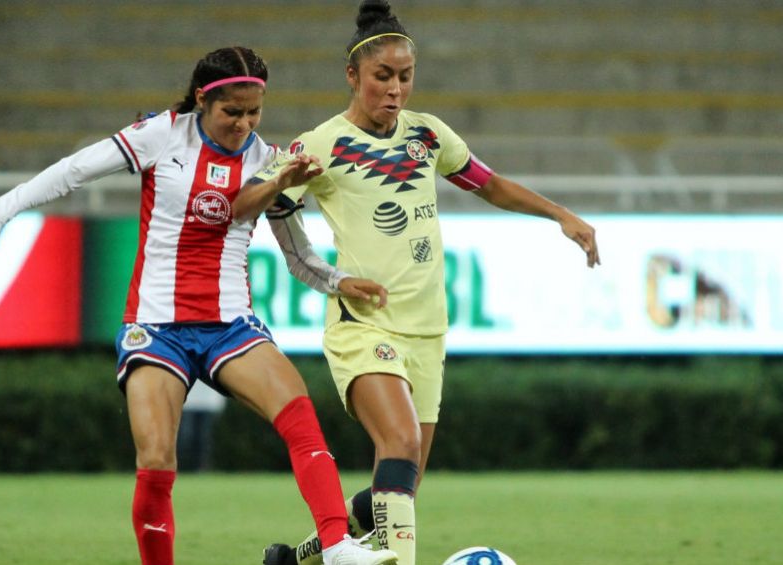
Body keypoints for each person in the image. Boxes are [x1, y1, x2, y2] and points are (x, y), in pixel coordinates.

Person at [0, 46, 398, 565]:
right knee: (158, 459)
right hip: (156, 327)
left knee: (300, 416)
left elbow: (298, 256)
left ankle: (338, 546)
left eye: (254, 112)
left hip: (230, 325)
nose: (244, 123)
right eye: (232, 111)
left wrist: (340, 281)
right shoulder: (160, 135)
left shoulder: (269, 162)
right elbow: (72, 171)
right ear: (203, 101)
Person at [233, 3, 601, 564]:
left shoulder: (427, 136)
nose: (395, 89)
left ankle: (299, 559)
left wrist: (561, 216)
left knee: (397, 483)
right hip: (365, 326)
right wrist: (283, 181)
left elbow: (490, 185)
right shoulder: (322, 144)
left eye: (405, 76)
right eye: (383, 76)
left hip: (428, 331)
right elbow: (246, 205)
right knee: (400, 445)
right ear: (353, 76)